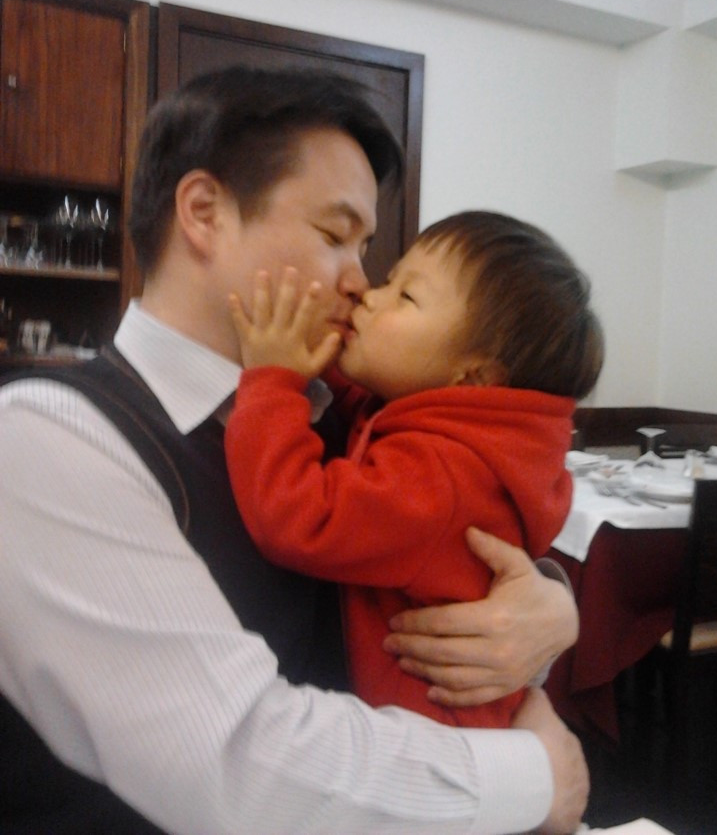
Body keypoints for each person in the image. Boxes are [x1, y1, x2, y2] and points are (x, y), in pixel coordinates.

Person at [0, 66, 587, 835]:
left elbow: (442, 556)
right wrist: (533, 776)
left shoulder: (337, 414)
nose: (361, 283)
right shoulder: (46, 438)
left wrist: (545, 606)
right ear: (205, 213)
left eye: (367, 248)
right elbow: (234, 761)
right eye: (335, 236)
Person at [225, 210, 604, 729]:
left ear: (473, 375)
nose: (368, 294)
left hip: (426, 747)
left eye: (405, 296)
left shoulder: (444, 474)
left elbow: (302, 517)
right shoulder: (456, 435)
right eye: (389, 280)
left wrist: (273, 381)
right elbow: (364, 410)